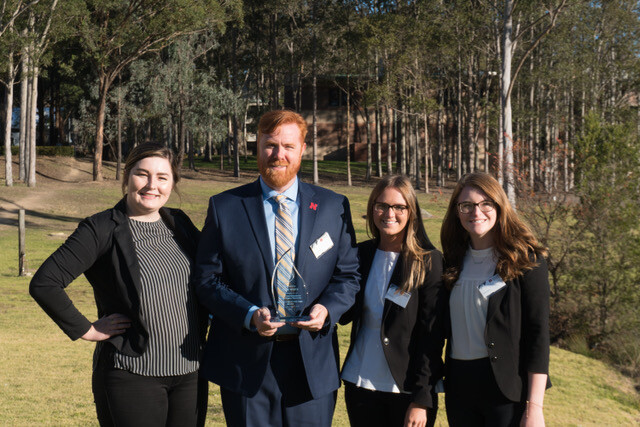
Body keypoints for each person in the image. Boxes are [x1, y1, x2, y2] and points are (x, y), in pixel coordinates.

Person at [194, 109, 360, 427]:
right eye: (270, 145)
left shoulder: (333, 206)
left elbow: (348, 275)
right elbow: (207, 279)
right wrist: (248, 314)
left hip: (310, 362)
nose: (278, 155)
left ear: (302, 149)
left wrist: (327, 309)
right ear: (257, 147)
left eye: (288, 146)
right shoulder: (225, 207)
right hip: (246, 362)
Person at [29, 143, 208, 427]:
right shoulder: (101, 228)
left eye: (162, 177)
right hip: (131, 374)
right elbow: (45, 283)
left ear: (172, 183)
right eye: (142, 174)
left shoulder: (181, 225)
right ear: (127, 178)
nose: (152, 185)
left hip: (191, 375)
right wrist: (87, 329)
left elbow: (211, 279)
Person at [440, 172, 550, 427]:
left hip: (505, 389)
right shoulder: (451, 262)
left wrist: (535, 407)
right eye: (466, 205)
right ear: (457, 211)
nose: (476, 212)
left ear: (499, 207)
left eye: (485, 203)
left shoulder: (526, 261)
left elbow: (538, 336)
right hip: (459, 387)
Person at [340, 175, 446, 427]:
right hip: (360, 382)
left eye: (399, 207)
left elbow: (432, 337)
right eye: (382, 205)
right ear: (372, 209)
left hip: (407, 390)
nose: (389, 213)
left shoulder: (429, 262)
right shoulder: (360, 254)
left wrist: (421, 399)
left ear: (411, 212)